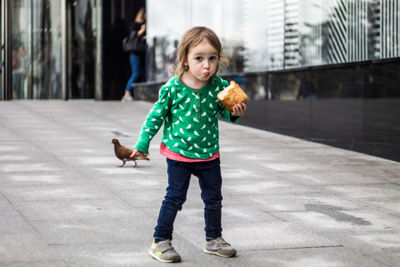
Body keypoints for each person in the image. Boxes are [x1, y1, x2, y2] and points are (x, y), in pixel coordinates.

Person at [130, 26, 247, 263]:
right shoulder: (173, 88)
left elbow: (223, 114)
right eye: (199, 58)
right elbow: (155, 117)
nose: (207, 65)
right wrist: (143, 144)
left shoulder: (218, 87)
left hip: (209, 155)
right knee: (174, 197)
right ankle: (160, 241)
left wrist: (234, 112)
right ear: (185, 60)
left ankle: (213, 239)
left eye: (212, 58)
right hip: (179, 155)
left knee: (213, 198)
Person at [122, 7, 146, 101]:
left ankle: (143, 94)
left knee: (144, 74)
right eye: (145, 14)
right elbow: (133, 36)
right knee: (136, 73)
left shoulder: (146, 24)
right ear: (142, 14)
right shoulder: (135, 24)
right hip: (135, 53)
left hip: (143, 53)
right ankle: (127, 94)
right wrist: (142, 30)